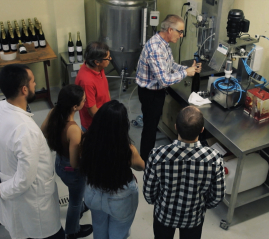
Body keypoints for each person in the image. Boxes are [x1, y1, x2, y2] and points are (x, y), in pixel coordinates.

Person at [0, 64, 64, 239]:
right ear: (24, 89)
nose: (36, 84)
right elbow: (25, 179)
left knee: (21, 231)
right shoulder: (26, 130)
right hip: (35, 206)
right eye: (33, 81)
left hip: (14, 199)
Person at [143, 106, 225, 239]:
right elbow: (217, 195)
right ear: (202, 130)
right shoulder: (214, 158)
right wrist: (202, 205)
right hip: (193, 219)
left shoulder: (157, 155)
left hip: (164, 216)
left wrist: (158, 202)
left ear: (175, 127)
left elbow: (149, 193)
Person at [136, 14, 202, 162]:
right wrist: (186, 73)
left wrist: (188, 69)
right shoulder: (156, 48)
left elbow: (171, 65)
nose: (181, 35)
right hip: (150, 94)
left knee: (152, 123)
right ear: (170, 30)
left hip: (156, 91)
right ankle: (145, 160)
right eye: (180, 32)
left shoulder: (164, 43)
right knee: (150, 128)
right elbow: (164, 79)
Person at [79, 100, 145, 239]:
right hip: (120, 198)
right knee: (118, 234)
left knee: (99, 229)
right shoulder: (127, 150)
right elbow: (141, 166)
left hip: (93, 193)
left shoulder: (86, 141)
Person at [40, 84, 93, 239]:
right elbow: (75, 163)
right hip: (72, 171)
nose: (86, 101)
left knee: (76, 197)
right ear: (75, 106)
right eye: (84, 100)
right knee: (75, 201)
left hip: (58, 163)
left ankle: (80, 210)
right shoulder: (73, 130)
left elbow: (42, 132)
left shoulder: (53, 112)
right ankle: (72, 231)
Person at [75, 41, 111, 132]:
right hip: (95, 125)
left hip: (105, 115)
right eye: (107, 58)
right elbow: (93, 112)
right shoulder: (87, 82)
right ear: (97, 62)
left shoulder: (97, 68)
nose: (110, 59)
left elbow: (106, 89)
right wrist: (108, 122)